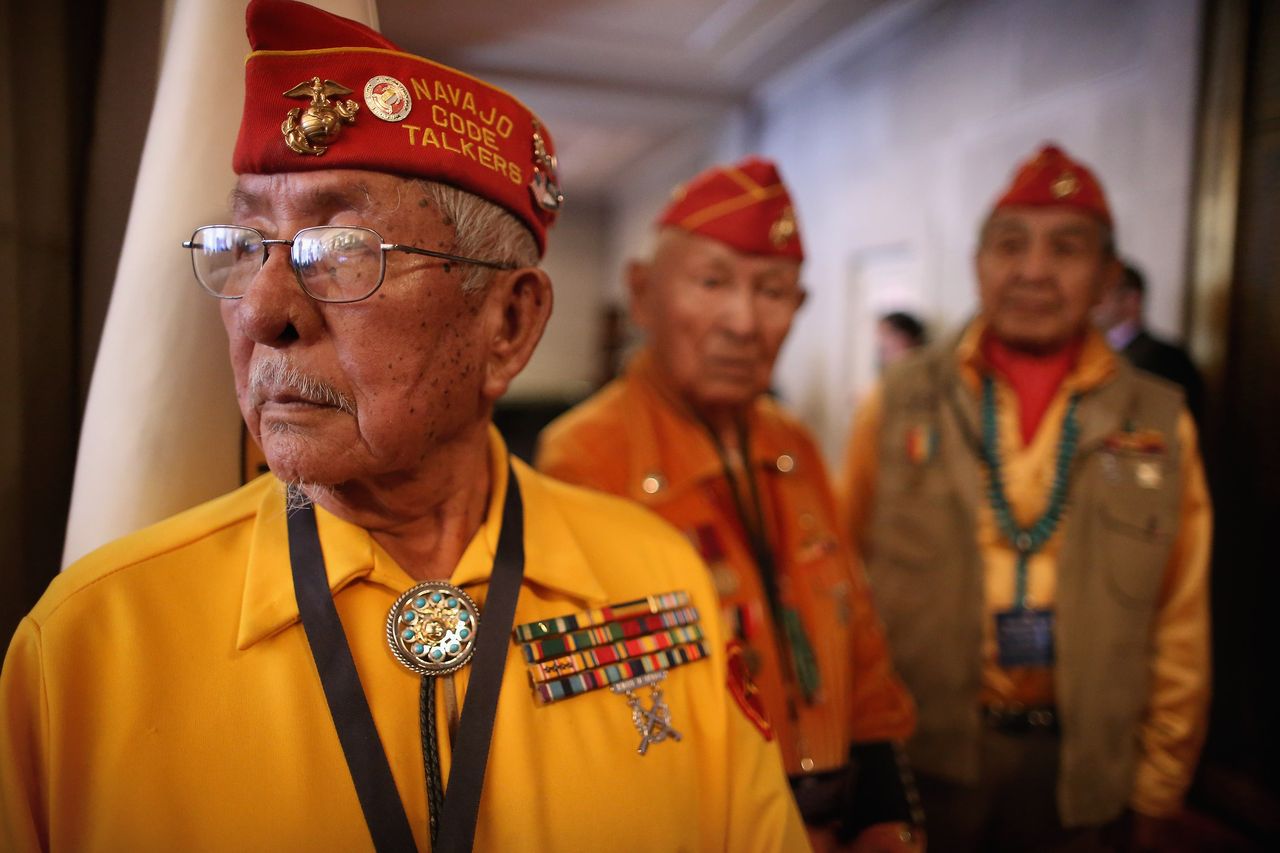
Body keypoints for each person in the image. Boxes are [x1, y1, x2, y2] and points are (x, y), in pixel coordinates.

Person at [0, 3, 810, 850]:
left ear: (508, 324)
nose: (264, 311)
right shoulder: (90, 648)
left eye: (341, 250)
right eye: (246, 243)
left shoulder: (658, 580)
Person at [536, 158, 922, 852]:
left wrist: (888, 812)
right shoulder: (586, 457)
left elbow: (857, 632)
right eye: (712, 282)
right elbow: (603, 727)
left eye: (772, 291)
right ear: (643, 293)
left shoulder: (792, 441)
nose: (745, 321)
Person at [839, 144, 1212, 851]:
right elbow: (840, 583)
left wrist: (1161, 781)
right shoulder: (897, 402)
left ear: (1106, 276)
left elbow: (1181, 617)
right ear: (978, 264)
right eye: (1010, 245)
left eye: (1066, 249)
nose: (1034, 270)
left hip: (1084, 770)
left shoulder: (1161, 422)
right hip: (923, 756)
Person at [1093, 261, 1206, 424]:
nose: (1093, 302)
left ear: (1132, 300)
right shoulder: (1090, 353)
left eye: (1102, 293)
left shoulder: (1168, 359)